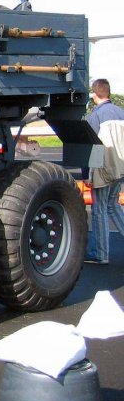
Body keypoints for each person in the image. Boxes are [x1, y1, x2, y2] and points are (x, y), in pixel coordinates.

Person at [84, 78, 124, 264]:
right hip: (120, 167)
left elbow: (91, 146)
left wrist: (88, 174)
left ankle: (100, 254)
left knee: (99, 210)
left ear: (94, 94)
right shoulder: (120, 112)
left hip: (104, 167)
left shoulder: (96, 116)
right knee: (113, 205)